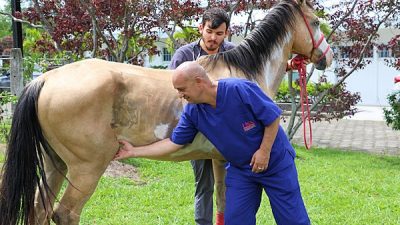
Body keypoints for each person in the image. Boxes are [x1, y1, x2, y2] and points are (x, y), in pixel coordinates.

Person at [115, 61, 310, 225]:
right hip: (242, 170)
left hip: (275, 164)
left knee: (292, 220)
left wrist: (264, 151)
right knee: (235, 220)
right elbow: (174, 143)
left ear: (199, 82)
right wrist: (134, 152)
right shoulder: (193, 111)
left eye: (182, 89)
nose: (179, 95)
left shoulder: (238, 89)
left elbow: (272, 117)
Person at [168, 7, 235, 225]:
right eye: (209, 32)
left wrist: (289, 65)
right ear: (201, 28)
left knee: (229, 183)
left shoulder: (233, 54)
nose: (213, 38)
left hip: (226, 132)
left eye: (219, 34)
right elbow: (173, 90)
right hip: (197, 129)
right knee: (204, 184)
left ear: (226, 33)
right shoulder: (184, 55)